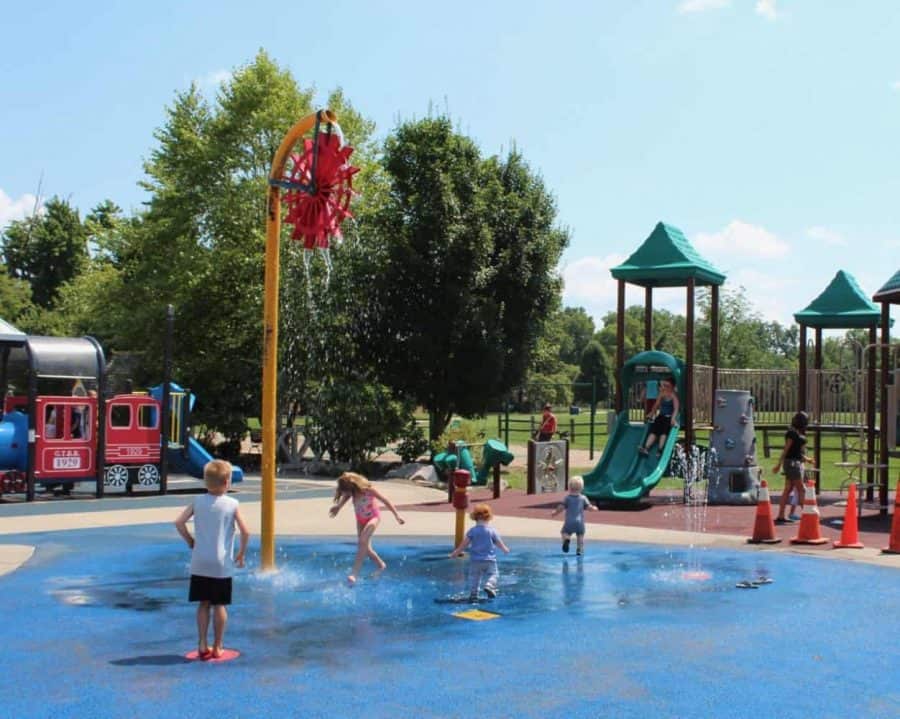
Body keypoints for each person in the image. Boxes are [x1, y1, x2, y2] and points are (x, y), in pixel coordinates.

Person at [174, 459, 249, 659]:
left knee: (203, 604)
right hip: (221, 564)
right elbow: (245, 532)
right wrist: (240, 553)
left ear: (205, 482)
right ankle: (218, 645)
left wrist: (190, 541)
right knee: (219, 605)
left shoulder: (197, 502)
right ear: (227, 483)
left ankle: (201, 643)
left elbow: (179, 522)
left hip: (199, 562)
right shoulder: (232, 504)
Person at [329, 472, 405, 585]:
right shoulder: (352, 493)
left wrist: (397, 515)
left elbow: (385, 501)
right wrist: (338, 507)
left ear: (353, 486)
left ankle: (354, 573)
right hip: (360, 520)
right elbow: (345, 498)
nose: (347, 494)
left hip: (373, 518)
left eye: (347, 491)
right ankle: (381, 565)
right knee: (365, 547)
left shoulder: (369, 490)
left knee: (362, 541)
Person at [450, 503, 510, 601]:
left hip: (475, 561)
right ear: (489, 517)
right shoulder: (492, 531)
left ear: (474, 517)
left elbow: (464, 544)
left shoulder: (472, 531)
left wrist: (455, 553)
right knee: (493, 574)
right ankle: (489, 585)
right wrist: (504, 549)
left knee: (475, 578)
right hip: (489, 560)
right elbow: (498, 542)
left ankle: (474, 594)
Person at [773, 411, 814, 524]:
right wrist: (778, 464)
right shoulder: (792, 433)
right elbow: (786, 450)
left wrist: (807, 459)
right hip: (792, 464)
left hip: (795, 462)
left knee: (789, 489)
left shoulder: (798, 433)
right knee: (801, 489)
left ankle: (781, 515)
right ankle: (808, 513)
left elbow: (796, 452)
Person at [551, 475, 594, 555]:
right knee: (580, 536)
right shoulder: (583, 498)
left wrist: (555, 512)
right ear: (582, 488)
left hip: (569, 522)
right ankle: (579, 549)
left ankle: (567, 539)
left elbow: (561, 507)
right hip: (580, 522)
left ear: (569, 487)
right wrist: (593, 508)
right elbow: (588, 507)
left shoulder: (567, 498)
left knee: (564, 532)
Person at [639, 377, 680, 456]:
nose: (665, 388)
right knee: (654, 431)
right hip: (661, 416)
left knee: (663, 432)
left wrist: (673, 419)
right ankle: (646, 448)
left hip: (668, 417)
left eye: (668, 386)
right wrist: (651, 413)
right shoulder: (662, 394)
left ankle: (660, 450)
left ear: (672, 387)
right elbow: (656, 405)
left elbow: (676, 408)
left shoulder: (673, 396)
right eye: (664, 385)